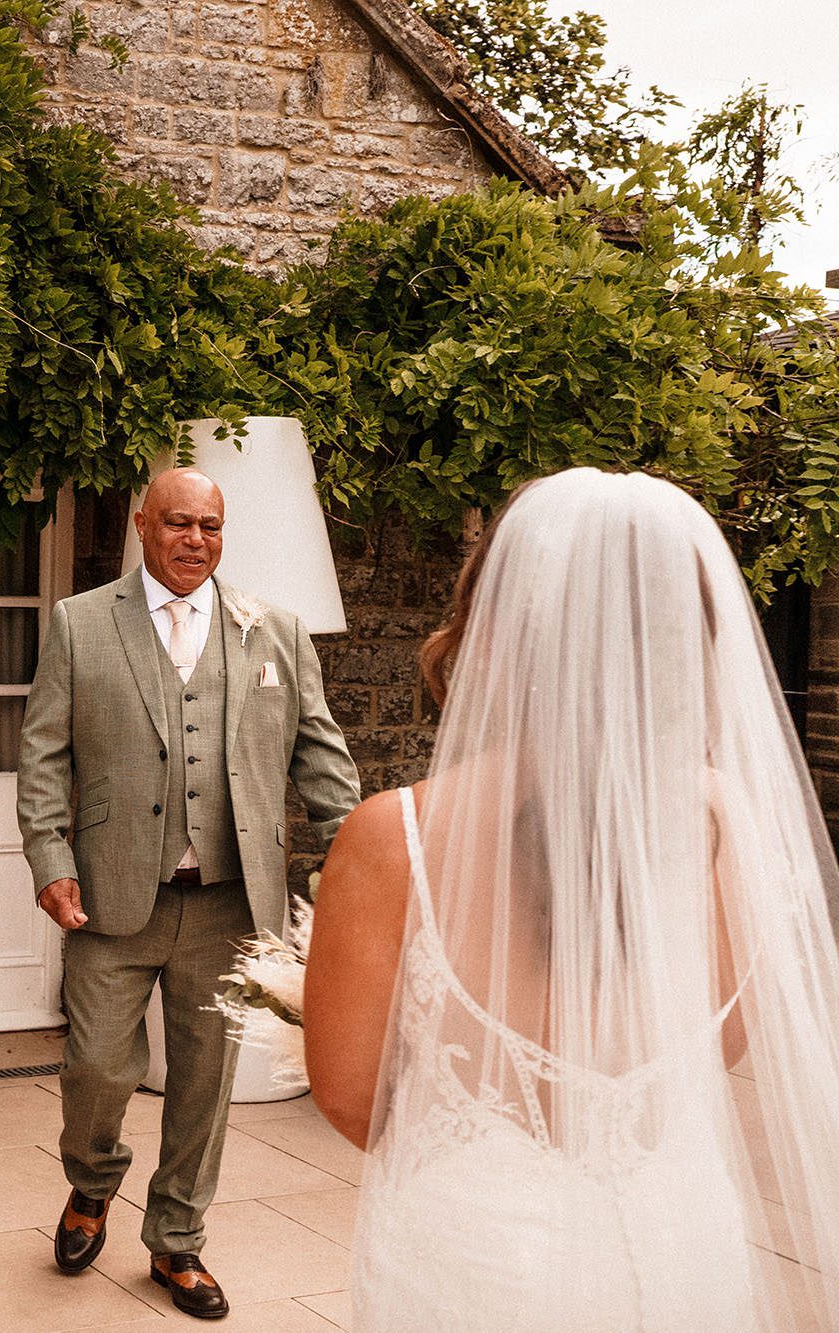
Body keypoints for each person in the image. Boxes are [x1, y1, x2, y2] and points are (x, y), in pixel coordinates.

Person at [304, 468, 839, 1331]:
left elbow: (350, 1094)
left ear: (493, 615)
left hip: (476, 1258)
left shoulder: (390, 835)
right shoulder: (729, 818)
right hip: (679, 1239)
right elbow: (726, 1038)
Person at [17, 466, 359, 1319]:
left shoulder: (274, 631)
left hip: (230, 900)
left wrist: (357, 856)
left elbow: (319, 752)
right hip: (110, 893)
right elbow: (44, 757)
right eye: (178, 522)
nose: (195, 539)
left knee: (205, 1080)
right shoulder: (81, 622)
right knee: (96, 1064)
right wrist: (50, 859)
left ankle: (176, 1239)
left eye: (210, 525)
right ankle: (92, 1183)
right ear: (142, 524)